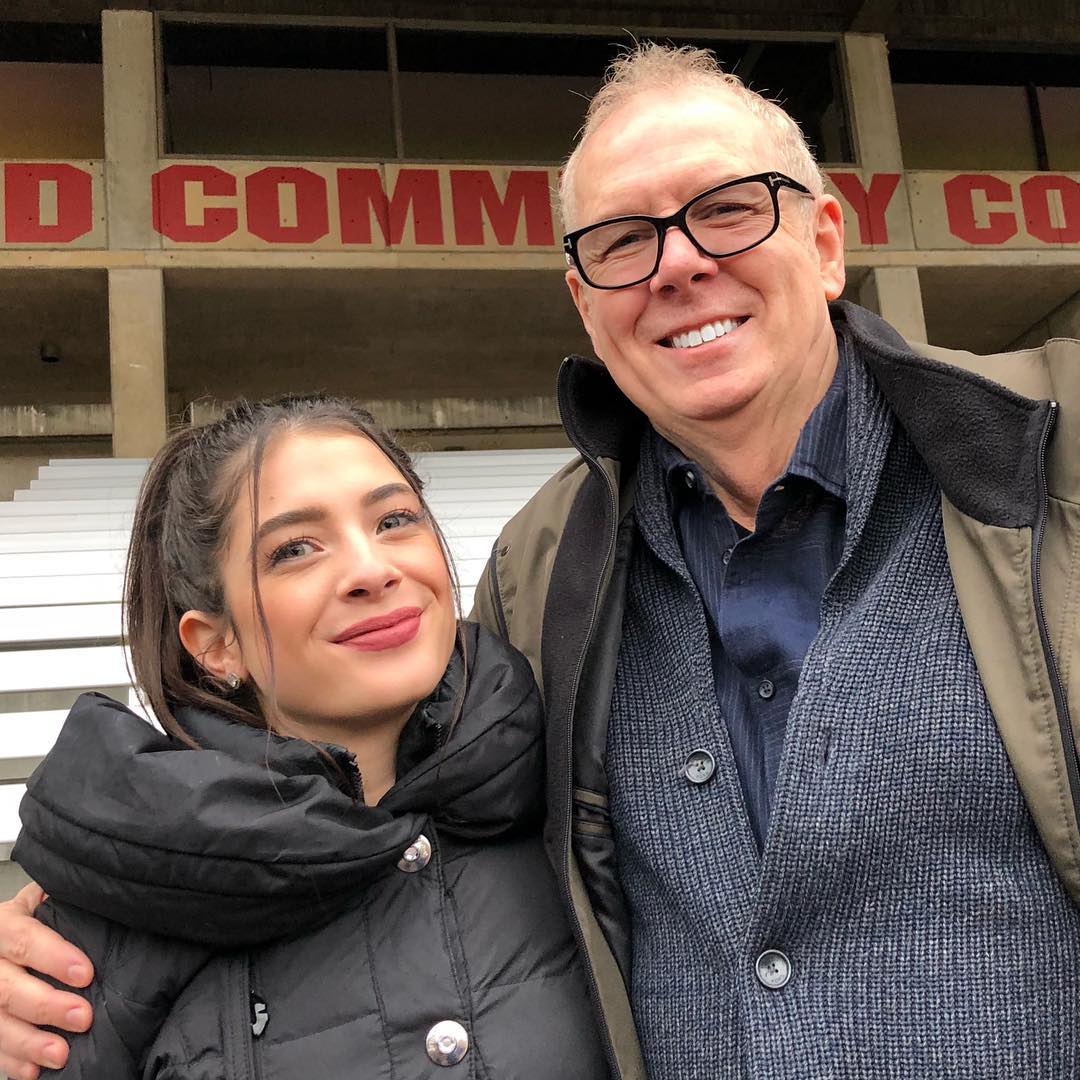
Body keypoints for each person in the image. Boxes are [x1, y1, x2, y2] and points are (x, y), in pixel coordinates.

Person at [1, 41, 1079, 1080]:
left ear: (827, 241)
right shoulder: (545, 567)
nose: (680, 263)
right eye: (623, 239)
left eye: (727, 208)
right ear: (585, 303)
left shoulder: (1058, 455)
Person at [4, 394, 608, 1078]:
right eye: (294, 549)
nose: (371, 570)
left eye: (394, 520)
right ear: (216, 644)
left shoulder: (584, 790)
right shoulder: (105, 924)